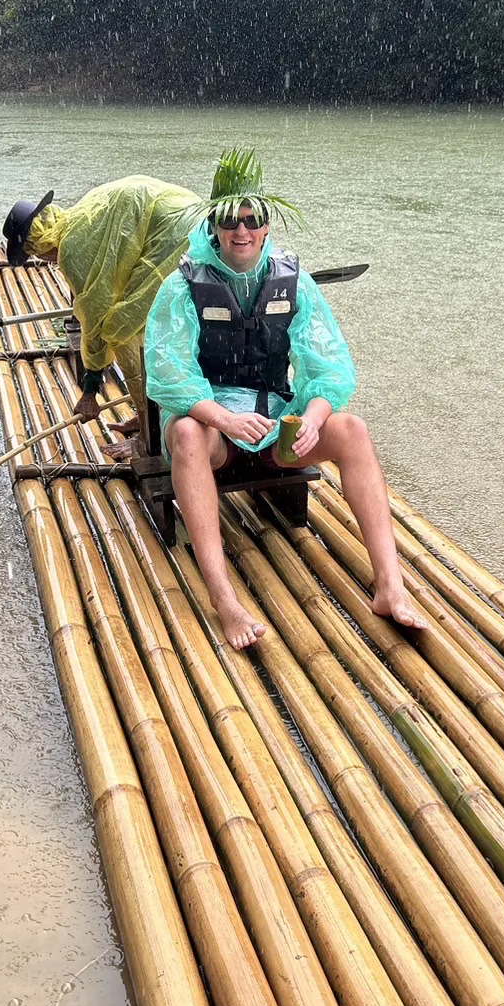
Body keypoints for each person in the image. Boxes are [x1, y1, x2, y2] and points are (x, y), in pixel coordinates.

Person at [144, 149, 426, 649]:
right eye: (231, 221)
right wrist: (224, 419)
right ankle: (225, 600)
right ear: (214, 226)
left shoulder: (294, 282)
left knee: (352, 429)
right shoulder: (181, 286)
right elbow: (169, 375)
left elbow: (328, 366)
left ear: (267, 227)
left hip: (276, 422)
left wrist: (313, 417)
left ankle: (390, 585)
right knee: (185, 431)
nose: (242, 231)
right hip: (214, 434)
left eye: (253, 221)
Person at [3, 176, 204, 441]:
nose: (45, 260)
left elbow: (96, 321)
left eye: (35, 253)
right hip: (194, 217)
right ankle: (150, 413)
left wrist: (90, 392)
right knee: (138, 319)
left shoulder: (72, 249)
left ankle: (148, 432)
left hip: (179, 235)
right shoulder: (80, 216)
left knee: (121, 328)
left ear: (38, 244)